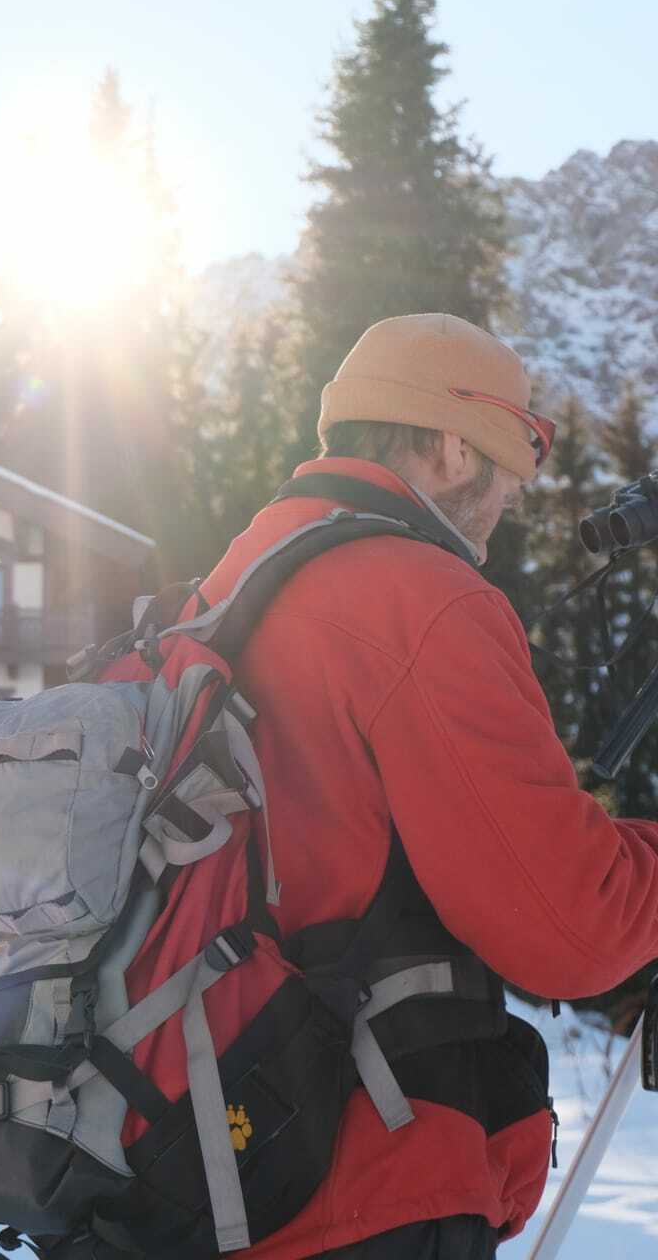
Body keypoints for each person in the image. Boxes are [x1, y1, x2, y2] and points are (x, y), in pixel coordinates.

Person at [191, 313, 658, 1258]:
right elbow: (568, 924)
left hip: (204, 1161)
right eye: (510, 467)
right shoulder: (418, 595)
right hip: (357, 1178)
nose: (512, 503)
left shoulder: (225, 592)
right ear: (451, 447)